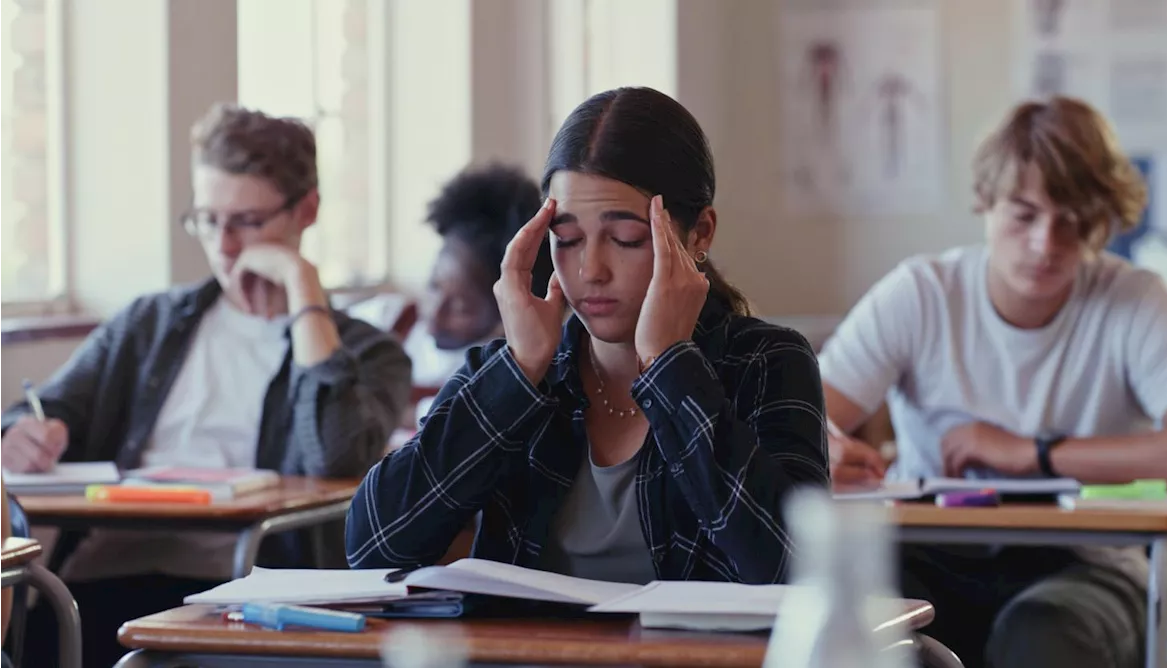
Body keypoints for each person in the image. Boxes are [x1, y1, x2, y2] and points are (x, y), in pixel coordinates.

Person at [819, 96, 1167, 668]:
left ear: (1100, 220)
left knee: (1041, 637)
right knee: (864, 626)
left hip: (1089, 565)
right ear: (986, 202)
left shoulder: (1132, 300)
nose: (1046, 244)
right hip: (933, 554)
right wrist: (822, 444)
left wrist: (1034, 454)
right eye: (1025, 214)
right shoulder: (922, 293)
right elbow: (799, 418)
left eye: (1072, 221)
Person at [346, 86, 830, 585]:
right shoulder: (518, 370)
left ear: (699, 234)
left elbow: (795, 570)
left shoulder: (766, 362)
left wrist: (670, 366)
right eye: (568, 239)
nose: (591, 269)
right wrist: (520, 371)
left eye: (626, 239)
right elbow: (374, 546)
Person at [0, 103, 412, 667]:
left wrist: (302, 287)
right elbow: (50, 406)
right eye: (208, 219)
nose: (225, 245)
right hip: (104, 576)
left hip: (245, 587)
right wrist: (22, 432)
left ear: (306, 210)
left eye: (247, 221)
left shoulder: (369, 351)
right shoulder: (151, 323)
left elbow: (340, 456)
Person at [373, 163, 553, 418]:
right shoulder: (390, 319)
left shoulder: (489, 377)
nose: (435, 313)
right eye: (434, 286)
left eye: (461, 307)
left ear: (501, 318)